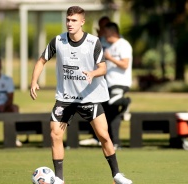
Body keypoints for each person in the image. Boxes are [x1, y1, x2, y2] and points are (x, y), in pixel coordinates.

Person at [30, 6, 132, 184]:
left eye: (74, 20)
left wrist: (93, 73)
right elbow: (41, 60)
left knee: (104, 136)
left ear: (82, 22)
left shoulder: (94, 42)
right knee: (55, 134)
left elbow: (103, 67)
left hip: (89, 97)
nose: (70, 24)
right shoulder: (58, 41)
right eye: (68, 20)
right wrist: (33, 81)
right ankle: (59, 179)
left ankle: (117, 175)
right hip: (65, 98)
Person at [79, 21, 133, 149]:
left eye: (106, 33)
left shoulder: (123, 45)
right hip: (108, 83)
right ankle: (115, 142)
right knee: (110, 113)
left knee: (113, 102)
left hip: (120, 82)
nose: (105, 35)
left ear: (113, 32)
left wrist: (110, 58)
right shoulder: (108, 45)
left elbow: (125, 64)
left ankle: (126, 102)